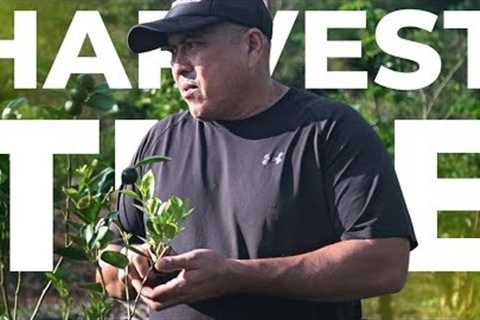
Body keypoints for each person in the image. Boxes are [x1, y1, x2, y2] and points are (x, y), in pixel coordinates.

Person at [98, 0, 418, 319]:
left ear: (252, 46)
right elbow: (109, 263)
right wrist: (130, 267)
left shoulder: (329, 131)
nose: (179, 65)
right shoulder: (160, 141)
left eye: (193, 45)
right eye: (172, 51)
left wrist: (239, 276)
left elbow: (385, 263)